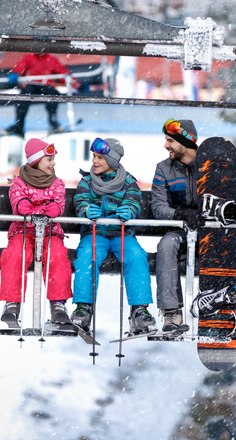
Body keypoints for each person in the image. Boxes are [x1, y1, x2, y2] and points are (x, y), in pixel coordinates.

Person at [151, 119, 236, 346]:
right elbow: (158, 208)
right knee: (166, 245)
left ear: (184, 142)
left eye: (170, 141)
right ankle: (172, 315)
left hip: (219, 233)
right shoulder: (164, 169)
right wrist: (180, 214)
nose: (166, 146)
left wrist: (230, 213)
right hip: (184, 232)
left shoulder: (217, 168)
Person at [70, 138, 156, 334]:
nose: (94, 161)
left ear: (113, 160)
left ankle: (139, 309)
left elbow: (134, 202)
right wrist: (85, 210)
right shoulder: (87, 182)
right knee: (86, 257)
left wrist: (129, 211)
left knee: (136, 255)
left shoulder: (129, 183)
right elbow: (80, 200)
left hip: (121, 234)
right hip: (95, 234)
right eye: (93, 156)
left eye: (100, 157)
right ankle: (84, 306)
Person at [0, 138, 73, 327]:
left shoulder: (57, 184)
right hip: (23, 231)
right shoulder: (18, 183)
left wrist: (36, 209)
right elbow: (20, 207)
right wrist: (43, 208)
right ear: (36, 161)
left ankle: (58, 304)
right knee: (16, 254)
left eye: (53, 159)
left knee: (57, 254)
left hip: (50, 232)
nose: (53, 163)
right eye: (49, 159)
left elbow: (57, 208)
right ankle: (12, 303)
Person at [3, 53, 74, 136]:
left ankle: (53, 122)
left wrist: (77, 83)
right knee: (23, 97)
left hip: (46, 86)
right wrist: (15, 73)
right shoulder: (29, 58)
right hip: (31, 85)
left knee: (53, 95)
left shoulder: (51, 59)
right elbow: (20, 67)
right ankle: (19, 126)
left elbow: (63, 73)